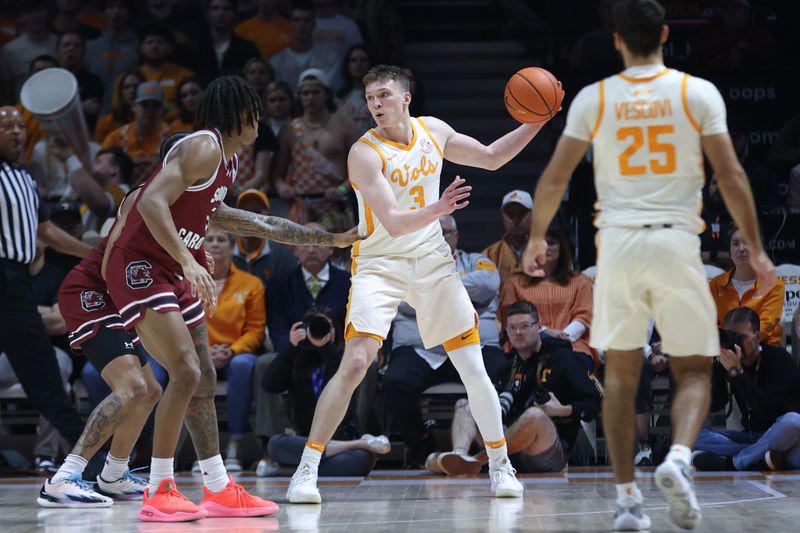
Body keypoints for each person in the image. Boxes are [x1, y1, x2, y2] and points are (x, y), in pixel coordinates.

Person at [521, 1, 776, 530]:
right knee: (693, 370)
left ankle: (628, 502)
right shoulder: (695, 92)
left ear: (615, 40)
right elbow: (731, 177)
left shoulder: (595, 97)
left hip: (617, 246)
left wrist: (538, 238)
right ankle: (679, 458)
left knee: (621, 376)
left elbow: (552, 179)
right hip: (677, 243)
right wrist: (758, 244)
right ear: (664, 34)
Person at [286, 64, 555, 503]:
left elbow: (491, 156)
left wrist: (535, 121)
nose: (376, 104)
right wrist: (440, 207)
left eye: (384, 96)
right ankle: (306, 470)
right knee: (356, 363)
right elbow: (391, 223)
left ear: (406, 97)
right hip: (380, 261)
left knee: (473, 365)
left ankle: (501, 465)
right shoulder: (364, 152)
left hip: (432, 262)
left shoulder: (434, 132)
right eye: (370, 98)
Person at [102, 76, 358, 521]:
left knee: (199, 381)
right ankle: (158, 488)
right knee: (184, 371)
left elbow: (247, 221)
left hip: (169, 266)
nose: (261, 121)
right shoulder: (202, 146)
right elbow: (151, 203)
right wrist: (187, 259)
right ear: (242, 114)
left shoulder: (228, 163)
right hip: (140, 263)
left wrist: (330, 236)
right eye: (256, 112)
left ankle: (218, 487)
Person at [0, 106, 94, 463]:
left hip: (15, 282)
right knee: (45, 376)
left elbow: (46, 231)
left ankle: (86, 461)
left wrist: (92, 253)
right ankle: (91, 462)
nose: (15, 132)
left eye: (19, 126)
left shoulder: (24, 177)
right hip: (5, 274)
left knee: (45, 376)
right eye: (6, 126)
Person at [382, 214, 510, 467]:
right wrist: (459, 294)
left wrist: (432, 289)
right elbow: (403, 301)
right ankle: (420, 441)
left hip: (475, 346)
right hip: (420, 350)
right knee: (394, 382)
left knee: (503, 371)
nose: (440, 237)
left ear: (456, 236)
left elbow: (488, 284)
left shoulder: (477, 261)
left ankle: (488, 445)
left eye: (445, 232)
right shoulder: (408, 264)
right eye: (433, 232)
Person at [428, 301, 601, 475]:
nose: (518, 332)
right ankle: (460, 456)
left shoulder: (564, 358)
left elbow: (596, 402)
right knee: (466, 404)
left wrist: (563, 410)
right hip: (508, 441)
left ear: (539, 327)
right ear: (507, 332)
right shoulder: (507, 365)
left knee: (535, 415)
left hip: (544, 448)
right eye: (512, 328)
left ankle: (478, 461)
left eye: (524, 326)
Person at [263, 306, 389, 476]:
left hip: (341, 438)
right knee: (275, 444)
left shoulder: (345, 359)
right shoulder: (296, 358)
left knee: (363, 459)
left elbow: (344, 378)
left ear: (335, 329)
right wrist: (291, 348)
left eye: (325, 326)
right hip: (304, 439)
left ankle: (284, 470)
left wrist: (327, 347)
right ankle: (360, 443)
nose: (320, 330)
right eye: (314, 326)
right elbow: (270, 385)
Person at [693, 307, 800, 471]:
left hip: (784, 435)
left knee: (793, 421)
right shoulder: (729, 362)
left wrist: (738, 373)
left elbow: (766, 409)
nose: (736, 343)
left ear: (758, 336)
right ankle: (761, 459)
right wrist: (715, 366)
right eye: (731, 337)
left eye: (741, 337)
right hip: (751, 437)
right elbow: (716, 404)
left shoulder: (778, 358)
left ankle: (733, 462)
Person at [204, 227, 266, 472]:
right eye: (209, 239)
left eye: (221, 239)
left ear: (232, 247)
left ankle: (235, 444)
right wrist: (203, 352)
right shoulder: (188, 282)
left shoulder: (251, 283)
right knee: (187, 368)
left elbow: (256, 330)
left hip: (235, 354)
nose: (215, 244)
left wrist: (232, 351)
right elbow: (182, 324)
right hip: (201, 353)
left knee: (243, 365)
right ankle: (205, 452)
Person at [498, 221, 595, 368]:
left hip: (573, 345)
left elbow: (585, 316)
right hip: (526, 344)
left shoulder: (580, 281)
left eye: (551, 242)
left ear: (561, 247)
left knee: (569, 364)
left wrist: (562, 339)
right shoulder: (514, 283)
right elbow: (510, 318)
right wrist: (545, 333)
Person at [273, 69, 359, 229]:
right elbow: (277, 174)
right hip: (301, 206)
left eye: (315, 92)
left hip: (336, 205)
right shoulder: (290, 130)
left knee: (339, 251)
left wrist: (342, 189)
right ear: (300, 96)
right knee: (302, 252)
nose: (310, 97)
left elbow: (360, 169)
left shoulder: (345, 126)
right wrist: (282, 187)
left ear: (326, 94)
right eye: (305, 93)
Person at [709, 226, 785, 346]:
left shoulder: (774, 285)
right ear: (730, 253)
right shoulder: (715, 285)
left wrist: (732, 341)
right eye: (735, 244)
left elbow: (764, 327)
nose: (741, 249)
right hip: (725, 349)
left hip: (763, 348)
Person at [100, 81, 173, 186]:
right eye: (144, 105)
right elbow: (101, 169)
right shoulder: (116, 137)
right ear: (134, 106)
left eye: (155, 106)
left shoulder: (171, 137)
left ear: (161, 109)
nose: (149, 110)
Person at [269, 3, 342, 95]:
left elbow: (330, 90)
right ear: (290, 23)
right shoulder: (276, 61)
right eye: (297, 20)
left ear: (314, 23)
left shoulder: (331, 59)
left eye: (306, 20)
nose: (301, 25)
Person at [85, 0, 139, 114]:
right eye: (111, 7)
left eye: (121, 7)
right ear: (103, 12)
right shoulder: (90, 46)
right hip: (93, 113)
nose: (116, 11)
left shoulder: (138, 46)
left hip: (126, 113)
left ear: (129, 13)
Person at [195, 0, 261, 81]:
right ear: (208, 13)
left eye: (226, 9)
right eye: (215, 8)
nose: (220, 13)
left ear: (234, 14)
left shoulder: (248, 49)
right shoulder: (194, 48)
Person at [482, 190, 532, 291]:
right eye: (510, 214)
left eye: (522, 213)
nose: (515, 220)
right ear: (503, 217)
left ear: (533, 215)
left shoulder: (546, 251)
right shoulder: (490, 254)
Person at [94, 70, 145, 144]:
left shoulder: (150, 121)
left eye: (136, 87)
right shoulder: (105, 123)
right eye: (127, 87)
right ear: (119, 92)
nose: (132, 91)